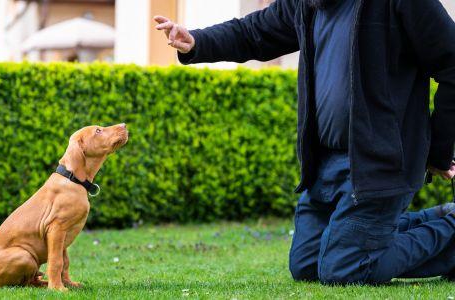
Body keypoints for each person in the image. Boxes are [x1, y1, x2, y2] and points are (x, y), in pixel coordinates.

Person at [154, 0, 455, 284]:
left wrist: (438, 151)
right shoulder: (306, 3)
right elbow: (254, 31)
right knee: (307, 265)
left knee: (342, 268)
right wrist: (197, 41)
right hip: (324, 165)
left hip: (381, 164)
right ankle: (438, 218)